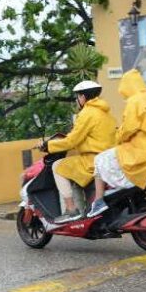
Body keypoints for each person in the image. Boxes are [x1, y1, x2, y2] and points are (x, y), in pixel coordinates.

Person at [87, 69, 146, 218]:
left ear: (128, 86)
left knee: (100, 159)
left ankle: (98, 201)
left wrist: (118, 136)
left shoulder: (135, 101)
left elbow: (128, 128)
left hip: (143, 149)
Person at [36, 80, 116, 223]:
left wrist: (48, 146)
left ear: (83, 97)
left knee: (57, 166)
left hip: (92, 160)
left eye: (77, 97)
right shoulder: (105, 112)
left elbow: (72, 141)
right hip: (108, 158)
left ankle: (71, 210)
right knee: (71, 169)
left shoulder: (86, 113)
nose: (77, 100)